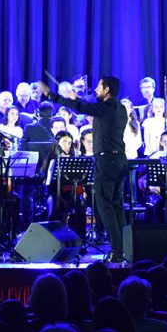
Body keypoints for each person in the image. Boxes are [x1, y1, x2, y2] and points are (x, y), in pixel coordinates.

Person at [43, 76, 128, 263]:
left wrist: (54, 96)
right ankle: (125, 249)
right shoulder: (119, 108)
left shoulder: (105, 108)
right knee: (116, 207)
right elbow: (86, 104)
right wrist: (76, 98)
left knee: (105, 207)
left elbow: (82, 107)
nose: (96, 89)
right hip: (120, 159)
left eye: (99, 86)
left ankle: (117, 251)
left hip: (106, 161)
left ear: (107, 90)